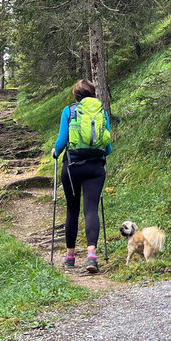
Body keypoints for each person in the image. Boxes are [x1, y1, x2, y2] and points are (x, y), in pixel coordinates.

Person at [53, 79, 112, 273]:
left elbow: (61, 141)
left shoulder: (69, 111)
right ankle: (92, 255)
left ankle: (70, 257)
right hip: (95, 168)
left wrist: (55, 151)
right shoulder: (102, 112)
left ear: (76, 95)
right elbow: (108, 148)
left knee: (72, 210)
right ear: (93, 93)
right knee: (91, 210)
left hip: (72, 168)